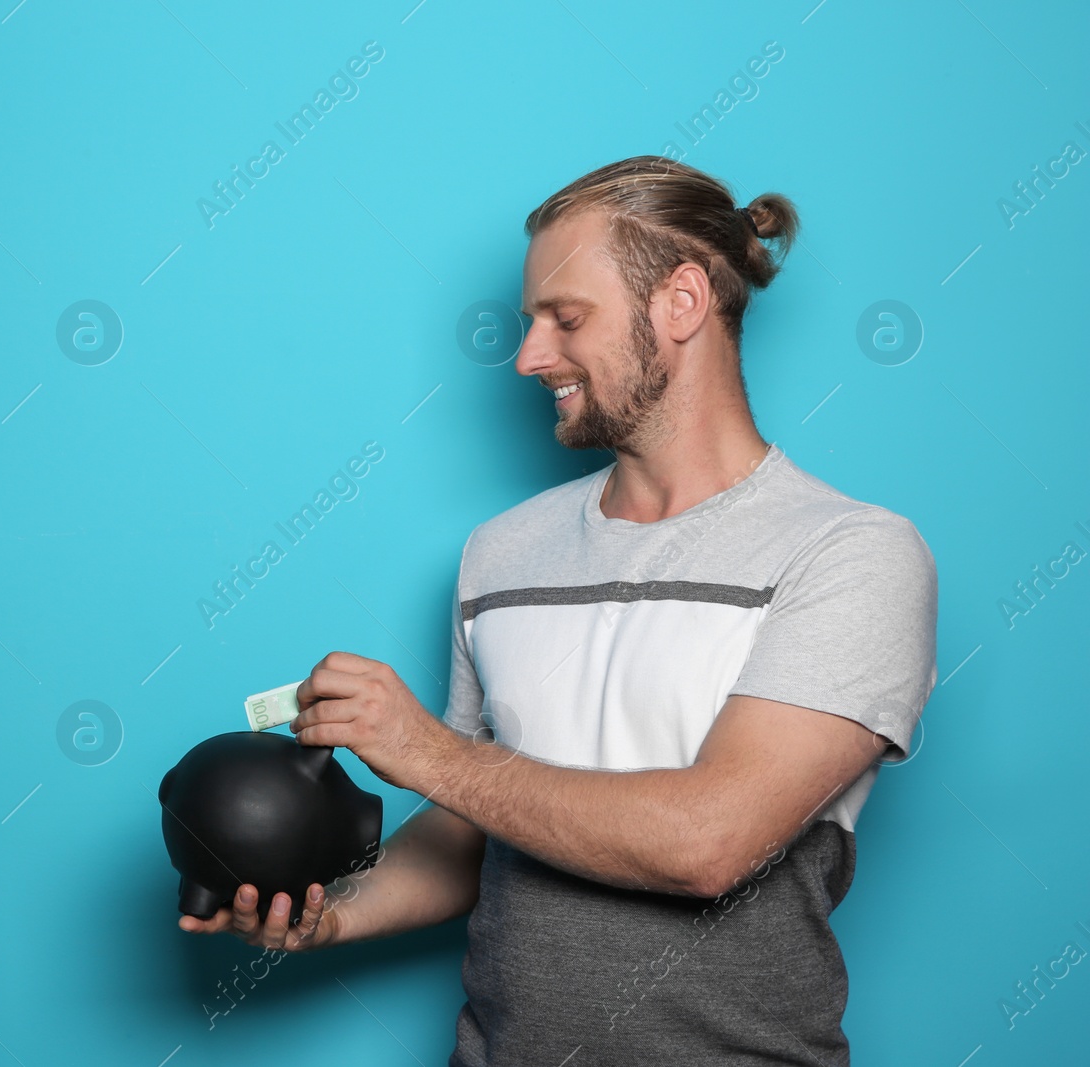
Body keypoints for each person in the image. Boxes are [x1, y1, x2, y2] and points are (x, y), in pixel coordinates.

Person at [177, 155, 938, 1065]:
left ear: (683, 302)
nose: (529, 355)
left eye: (565, 318)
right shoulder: (499, 552)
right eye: (530, 320)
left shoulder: (852, 553)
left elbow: (710, 840)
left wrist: (428, 752)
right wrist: (330, 920)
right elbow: (472, 826)